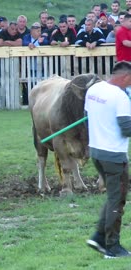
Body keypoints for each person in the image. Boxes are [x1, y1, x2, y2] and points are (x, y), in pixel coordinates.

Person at [85, 61, 131, 259]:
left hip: (96, 151)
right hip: (114, 156)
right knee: (117, 200)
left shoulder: (94, 89)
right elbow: (127, 128)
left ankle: (98, 237)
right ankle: (112, 247)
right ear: (126, 78)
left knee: (114, 196)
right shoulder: (120, 97)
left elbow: (87, 116)